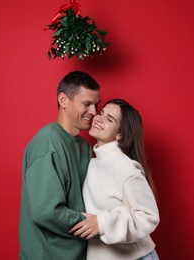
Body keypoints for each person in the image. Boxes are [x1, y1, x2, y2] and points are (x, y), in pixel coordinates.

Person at [19, 70, 101, 260]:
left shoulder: (84, 147)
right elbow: (46, 212)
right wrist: (95, 225)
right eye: (87, 104)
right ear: (63, 100)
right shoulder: (48, 142)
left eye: (96, 105)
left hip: (80, 254)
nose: (94, 112)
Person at [69, 99, 160, 260]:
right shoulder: (92, 163)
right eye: (101, 113)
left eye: (109, 119)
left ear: (120, 134)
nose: (98, 118)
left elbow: (149, 217)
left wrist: (102, 223)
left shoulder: (125, 168)